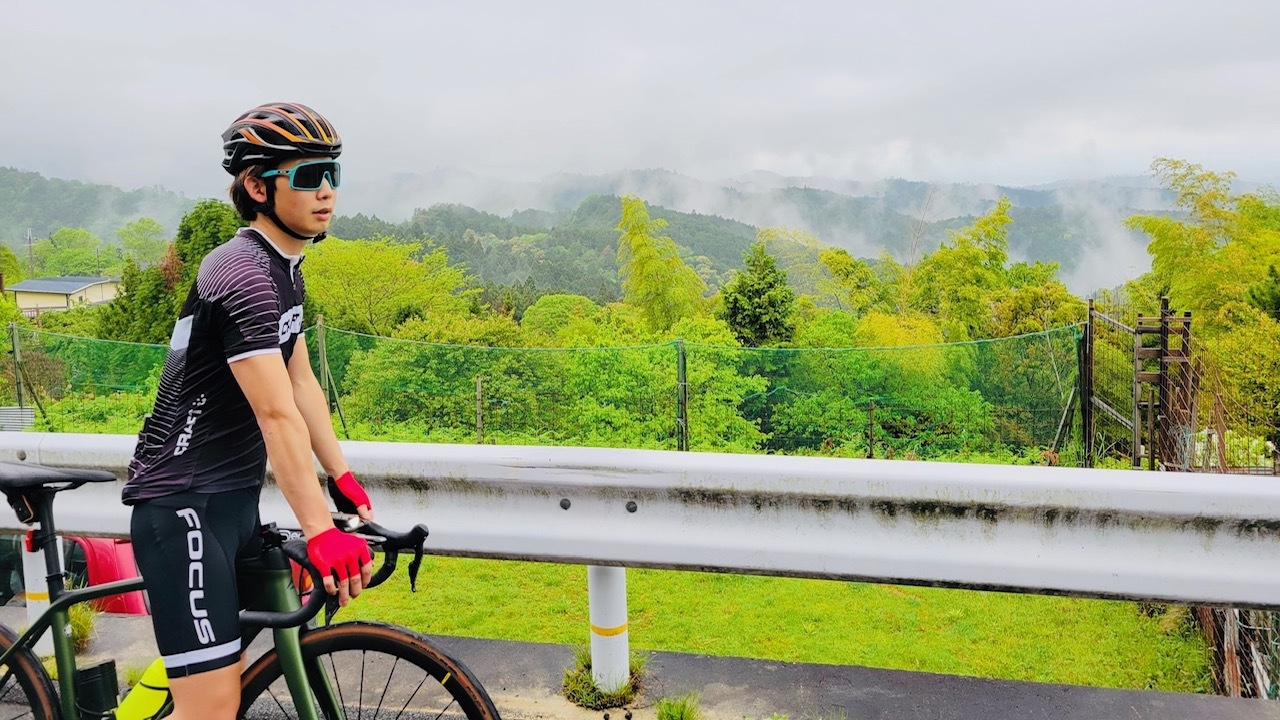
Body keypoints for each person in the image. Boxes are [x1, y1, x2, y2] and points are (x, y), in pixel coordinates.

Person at [122, 101, 375, 720]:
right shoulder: (240, 272)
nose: (327, 193)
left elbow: (302, 381)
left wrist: (340, 476)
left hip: (231, 499)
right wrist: (318, 529)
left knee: (220, 688)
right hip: (182, 501)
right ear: (258, 186)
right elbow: (275, 414)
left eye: (334, 175)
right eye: (310, 176)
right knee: (209, 709)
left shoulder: (286, 269)